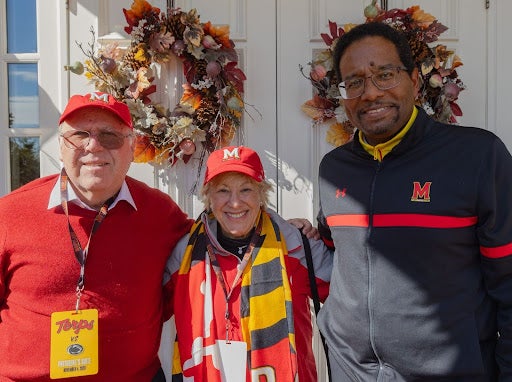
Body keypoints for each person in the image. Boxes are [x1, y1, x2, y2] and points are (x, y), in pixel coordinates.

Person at [316, 21, 512, 381]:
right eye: (354, 82)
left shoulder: (478, 155)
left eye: (385, 74)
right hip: (350, 371)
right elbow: (338, 250)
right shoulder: (334, 169)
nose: (371, 93)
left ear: (416, 82)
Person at [0, 91, 193, 381]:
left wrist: (283, 231)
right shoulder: (10, 213)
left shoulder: (160, 213)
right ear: (62, 147)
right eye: (79, 135)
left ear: (131, 148)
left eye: (110, 136)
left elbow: (217, 241)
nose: (93, 146)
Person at [164, 145, 333, 381]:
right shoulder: (184, 254)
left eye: (246, 190)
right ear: (208, 197)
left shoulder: (297, 246)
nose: (234, 203)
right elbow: (148, 312)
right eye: (223, 190)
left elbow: (349, 302)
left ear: (261, 194)